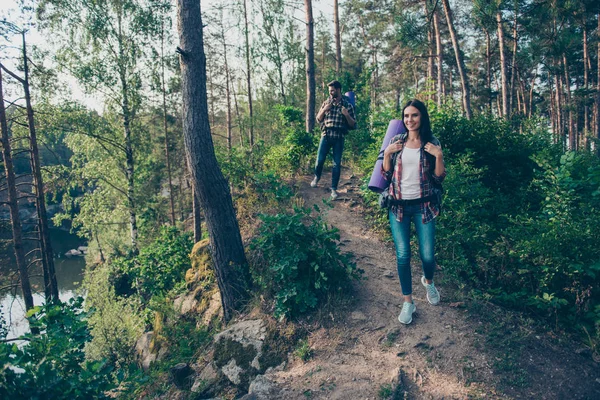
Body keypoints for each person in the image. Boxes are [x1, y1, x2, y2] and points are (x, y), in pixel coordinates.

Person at [381, 99, 446, 325]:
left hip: (424, 206)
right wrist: (388, 153)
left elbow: (439, 177)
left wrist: (438, 156)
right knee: (403, 255)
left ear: (422, 117)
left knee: (427, 256)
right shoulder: (396, 141)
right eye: (406, 116)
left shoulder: (431, 143)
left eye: (414, 115)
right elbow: (386, 175)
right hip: (398, 206)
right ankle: (408, 301)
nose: (410, 120)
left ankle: (428, 281)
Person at [311, 80, 356, 200]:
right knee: (319, 160)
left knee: (336, 164)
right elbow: (318, 119)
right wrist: (324, 109)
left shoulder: (348, 105)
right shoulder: (326, 103)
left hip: (339, 137)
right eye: (329, 91)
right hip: (326, 135)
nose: (331, 93)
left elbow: (353, 125)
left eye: (332, 90)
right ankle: (316, 177)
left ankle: (334, 189)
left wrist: (346, 115)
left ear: (338, 90)